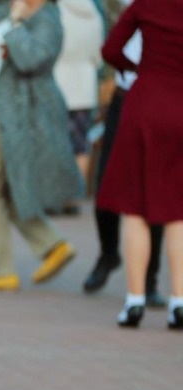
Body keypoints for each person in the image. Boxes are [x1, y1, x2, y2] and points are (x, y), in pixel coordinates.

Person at [0, 0, 83, 291]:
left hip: (17, 113)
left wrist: (16, 25)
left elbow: (32, 58)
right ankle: (51, 244)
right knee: (6, 188)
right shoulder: (6, 10)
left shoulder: (48, 18)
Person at [95, 0, 183, 329]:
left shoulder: (146, 4)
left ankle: (134, 302)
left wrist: (133, 68)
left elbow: (111, 49)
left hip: (145, 101)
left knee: (136, 209)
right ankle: (179, 302)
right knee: (177, 211)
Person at [81, 0, 164, 307]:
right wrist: (134, 69)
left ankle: (148, 281)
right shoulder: (132, 6)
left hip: (160, 98)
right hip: (125, 96)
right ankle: (108, 252)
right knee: (107, 185)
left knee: (155, 195)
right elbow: (111, 48)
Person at [50, 0, 103, 215]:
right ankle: (74, 198)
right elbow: (99, 56)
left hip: (59, 82)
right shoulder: (94, 15)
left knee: (56, 142)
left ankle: (55, 195)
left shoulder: (56, 12)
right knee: (80, 145)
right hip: (84, 86)